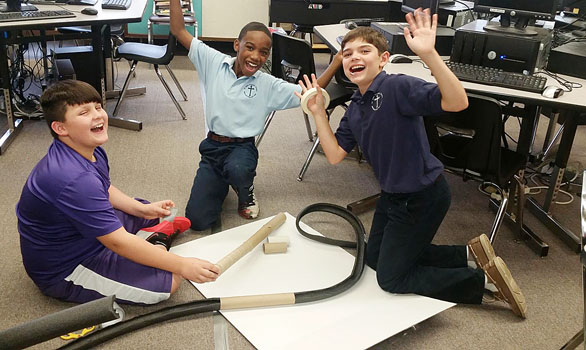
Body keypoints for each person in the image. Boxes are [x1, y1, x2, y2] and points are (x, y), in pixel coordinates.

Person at [296, 9, 527, 318]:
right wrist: (318, 113)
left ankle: (481, 280)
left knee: (391, 278)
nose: (354, 57)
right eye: (347, 53)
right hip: (393, 197)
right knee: (374, 258)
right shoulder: (355, 108)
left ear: (383, 59)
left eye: (365, 50)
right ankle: (467, 254)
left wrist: (429, 54)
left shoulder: (396, 87)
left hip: (423, 197)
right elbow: (336, 154)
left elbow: (458, 102)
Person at [16, 80, 219, 305]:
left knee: (154, 211)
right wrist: (181, 264)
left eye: (98, 107)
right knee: (169, 282)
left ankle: (151, 238)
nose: (98, 115)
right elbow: (117, 242)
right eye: (84, 112)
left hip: (88, 237)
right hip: (68, 267)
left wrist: (142, 209)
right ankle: (156, 241)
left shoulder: (88, 149)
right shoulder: (72, 179)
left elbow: (104, 188)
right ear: (60, 128)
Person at [169, 0, 341, 230]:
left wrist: (337, 60)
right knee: (198, 221)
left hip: (242, 148)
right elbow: (178, 30)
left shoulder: (267, 84)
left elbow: (311, 93)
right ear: (236, 45)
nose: (256, 56)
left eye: (263, 52)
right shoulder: (212, 61)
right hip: (212, 148)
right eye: (249, 47)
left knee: (238, 169)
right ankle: (220, 181)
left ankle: (245, 190)